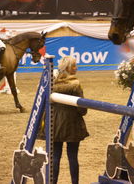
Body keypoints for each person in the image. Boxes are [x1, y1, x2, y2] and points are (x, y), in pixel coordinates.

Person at [52, 56, 89, 184]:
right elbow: (82, 109)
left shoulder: (52, 84)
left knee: (55, 157)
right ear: (68, 68)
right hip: (72, 125)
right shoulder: (75, 85)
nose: (76, 68)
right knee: (73, 156)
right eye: (74, 66)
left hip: (55, 124)